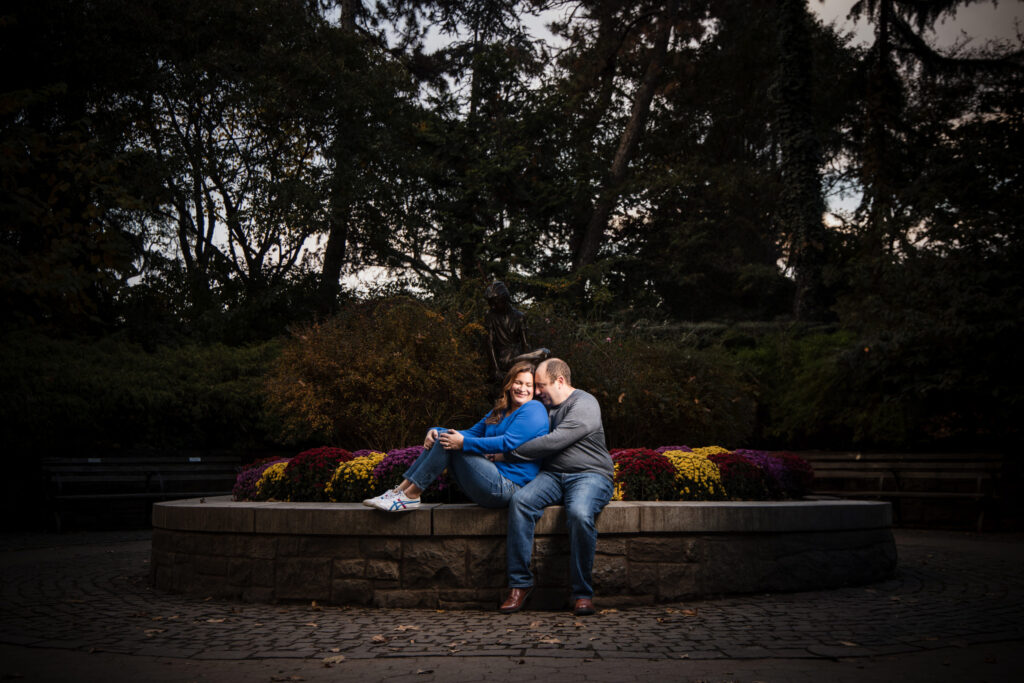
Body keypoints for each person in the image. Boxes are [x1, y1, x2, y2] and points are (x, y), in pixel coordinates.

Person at [494, 358, 614, 617]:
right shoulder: (542, 408)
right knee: (521, 502)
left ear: (560, 381)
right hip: (552, 476)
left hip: (589, 475)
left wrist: (508, 453)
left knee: (580, 514)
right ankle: (519, 585)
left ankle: (582, 593)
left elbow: (554, 442)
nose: (536, 392)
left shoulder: (585, 404)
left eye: (540, 385)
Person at [363, 361, 548, 512]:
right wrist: (434, 430)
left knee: (449, 442)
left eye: (528, 385)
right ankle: (398, 492)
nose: (522, 388)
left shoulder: (534, 409)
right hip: (488, 479)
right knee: (443, 437)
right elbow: (469, 433)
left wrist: (463, 443)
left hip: (508, 487)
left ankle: (411, 495)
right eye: (518, 382)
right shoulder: (499, 411)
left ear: (534, 389)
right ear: (509, 384)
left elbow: (507, 443)